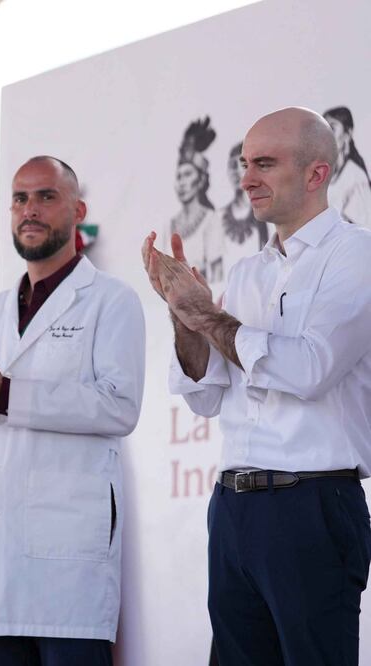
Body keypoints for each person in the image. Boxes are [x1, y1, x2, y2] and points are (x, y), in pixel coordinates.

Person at [143, 106, 371, 665]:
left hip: (313, 504)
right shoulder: (249, 272)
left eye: (264, 163)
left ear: (316, 174)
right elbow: (206, 393)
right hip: (232, 508)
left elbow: (310, 369)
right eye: (245, 163)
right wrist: (183, 316)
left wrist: (209, 318)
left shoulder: (358, 254)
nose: (246, 178)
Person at [0, 156, 146, 666]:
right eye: (20, 199)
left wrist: (4, 391)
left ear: (78, 210)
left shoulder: (111, 300)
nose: (31, 210)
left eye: (46, 196)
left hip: (70, 573)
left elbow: (118, 407)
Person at [171, 117, 225, 284]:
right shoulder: (169, 225)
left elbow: (217, 277)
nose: (182, 183)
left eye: (188, 174)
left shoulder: (211, 220)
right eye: (179, 176)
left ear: (201, 180)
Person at [221, 141, 271, 272]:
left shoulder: (269, 215)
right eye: (232, 165)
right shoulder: (216, 217)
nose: (236, 172)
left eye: (243, 165)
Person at [324, 106, 371, 227]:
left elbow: (364, 230)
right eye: (323, 128)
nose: (325, 134)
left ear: (348, 133)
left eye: (332, 128)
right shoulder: (324, 173)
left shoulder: (356, 177)